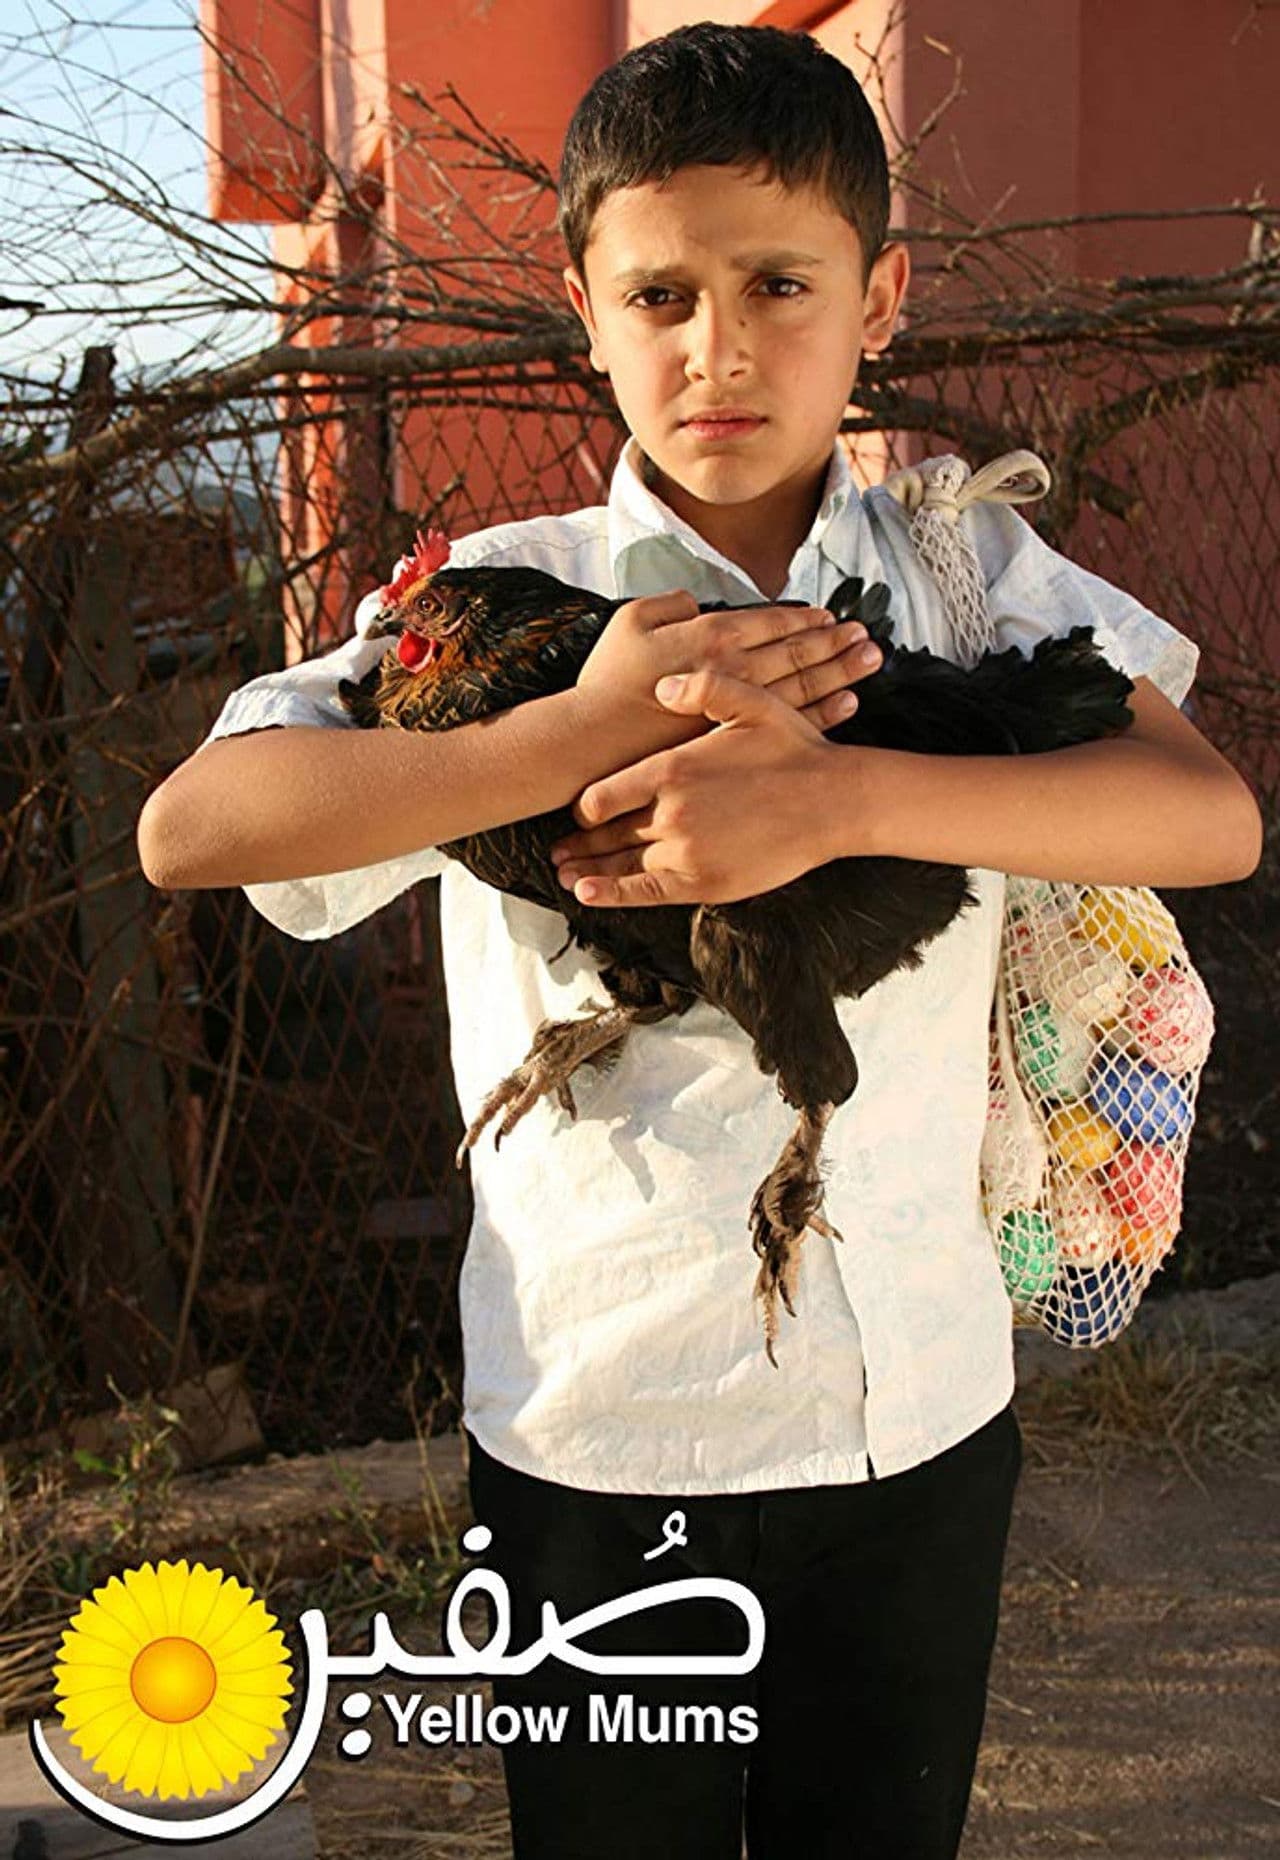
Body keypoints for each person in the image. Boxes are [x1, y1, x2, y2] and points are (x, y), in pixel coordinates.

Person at [138, 23, 1262, 1859]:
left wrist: (840, 803)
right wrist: (572, 730)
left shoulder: (966, 574)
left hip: (912, 1408)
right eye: (660, 294)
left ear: (879, 298)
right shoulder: (500, 592)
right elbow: (194, 827)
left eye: (778, 286)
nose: (717, 349)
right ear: (586, 312)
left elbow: (1208, 815)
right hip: (599, 1423)